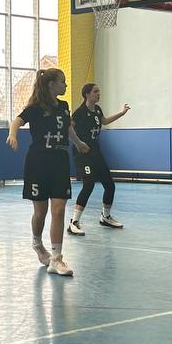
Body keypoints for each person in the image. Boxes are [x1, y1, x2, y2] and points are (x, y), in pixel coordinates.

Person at [8, 67, 90, 277]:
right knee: (40, 212)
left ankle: (56, 258)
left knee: (59, 210)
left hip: (59, 162)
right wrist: (13, 134)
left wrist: (78, 142)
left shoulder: (64, 106)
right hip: (38, 162)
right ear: (51, 84)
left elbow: (67, 128)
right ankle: (37, 243)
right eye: (63, 81)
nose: (66, 85)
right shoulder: (35, 107)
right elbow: (18, 120)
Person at [68, 83, 130, 236]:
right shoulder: (79, 112)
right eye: (95, 91)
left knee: (109, 185)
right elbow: (68, 127)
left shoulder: (97, 110)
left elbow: (105, 121)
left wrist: (122, 113)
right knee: (88, 184)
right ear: (87, 94)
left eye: (99, 91)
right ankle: (74, 222)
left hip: (96, 153)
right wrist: (78, 143)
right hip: (82, 154)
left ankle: (105, 217)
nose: (98, 94)